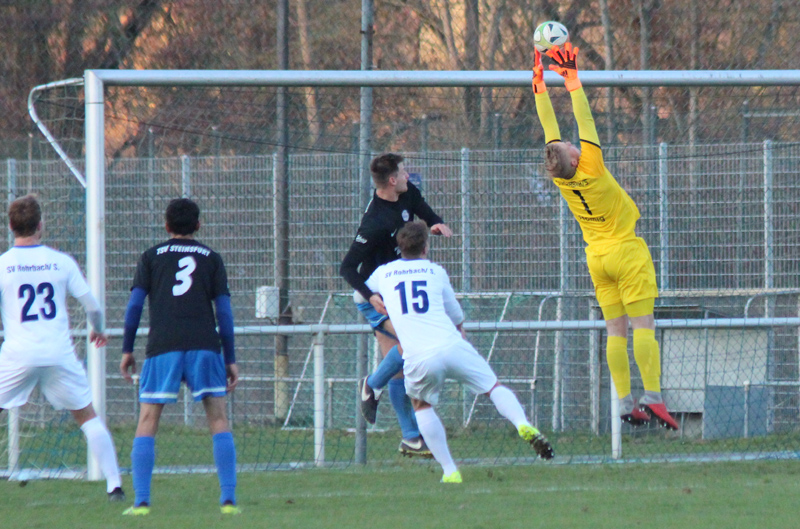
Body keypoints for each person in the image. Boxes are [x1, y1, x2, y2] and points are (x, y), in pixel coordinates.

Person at [532, 42, 679, 430]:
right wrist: (572, 78)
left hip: (596, 259)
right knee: (643, 326)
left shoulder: (561, 177)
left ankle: (625, 402)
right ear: (576, 157)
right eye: (568, 145)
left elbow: (550, 127)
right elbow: (586, 120)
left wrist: (539, 82)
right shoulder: (591, 165)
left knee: (616, 331)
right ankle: (655, 398)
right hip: (626, 253)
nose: (569, 141)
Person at [366, 221, 553, 482]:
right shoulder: (435, 272)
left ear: (399, 247)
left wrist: (373, 299)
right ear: (426, 247)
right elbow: (455, 315)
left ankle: (450, 471)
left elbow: (359, 293)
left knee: (421, 406)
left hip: (419, 355)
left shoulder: (383, 274)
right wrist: (461, 336)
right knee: (493, 387)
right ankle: (521, 423)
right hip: (451, 344)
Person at [119, 198, 240, 515]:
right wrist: (230, 358)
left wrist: (127, 349)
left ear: (166, 225)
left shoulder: (151, 257)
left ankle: (142, 502)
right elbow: (224, 314)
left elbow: (133, 308)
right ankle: (228, 501)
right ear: (198, 226)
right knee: (217, 419)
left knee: (147, 420)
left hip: (164, 346)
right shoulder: (212, 259)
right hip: (204, 344)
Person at [0, 194, 124, 500]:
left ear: (11, 226)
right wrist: (99, 329)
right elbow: (92, 306)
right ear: (41, 225)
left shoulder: (3, 265)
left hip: (18, 354)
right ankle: (115, 486)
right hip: (58, 353)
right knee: (87, 417)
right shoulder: (60, 261)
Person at [340, 153, 453, 458]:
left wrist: (436, 222)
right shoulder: (374, 222)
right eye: (403, 172)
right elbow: (347, 268)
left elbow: (421, 208)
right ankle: (371, 384)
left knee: (400, 367)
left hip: (395, 292)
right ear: (392, 181)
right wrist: (370, 294)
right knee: (410, 346)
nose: (408, 175)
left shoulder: (407, 194)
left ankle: (411, 438)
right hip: (374, 296)